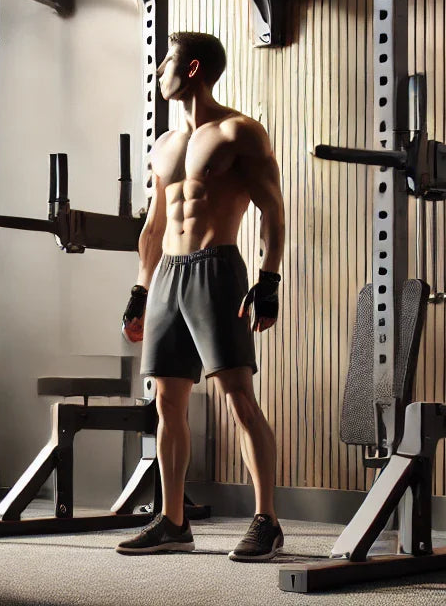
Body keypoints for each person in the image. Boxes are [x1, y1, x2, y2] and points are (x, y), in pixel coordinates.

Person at [116, 31, 286, 562]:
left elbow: (273, 211)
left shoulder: (240, 132)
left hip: (218, 269)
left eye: (165, 62)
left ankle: (266, 520)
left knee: (237, 396)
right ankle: (172, 520)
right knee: (167, 401)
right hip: (168, 272)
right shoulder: (164, 145)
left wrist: (269, 280)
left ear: (191, 68)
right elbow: (153, 226)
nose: (158, 72)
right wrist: (140, 291)